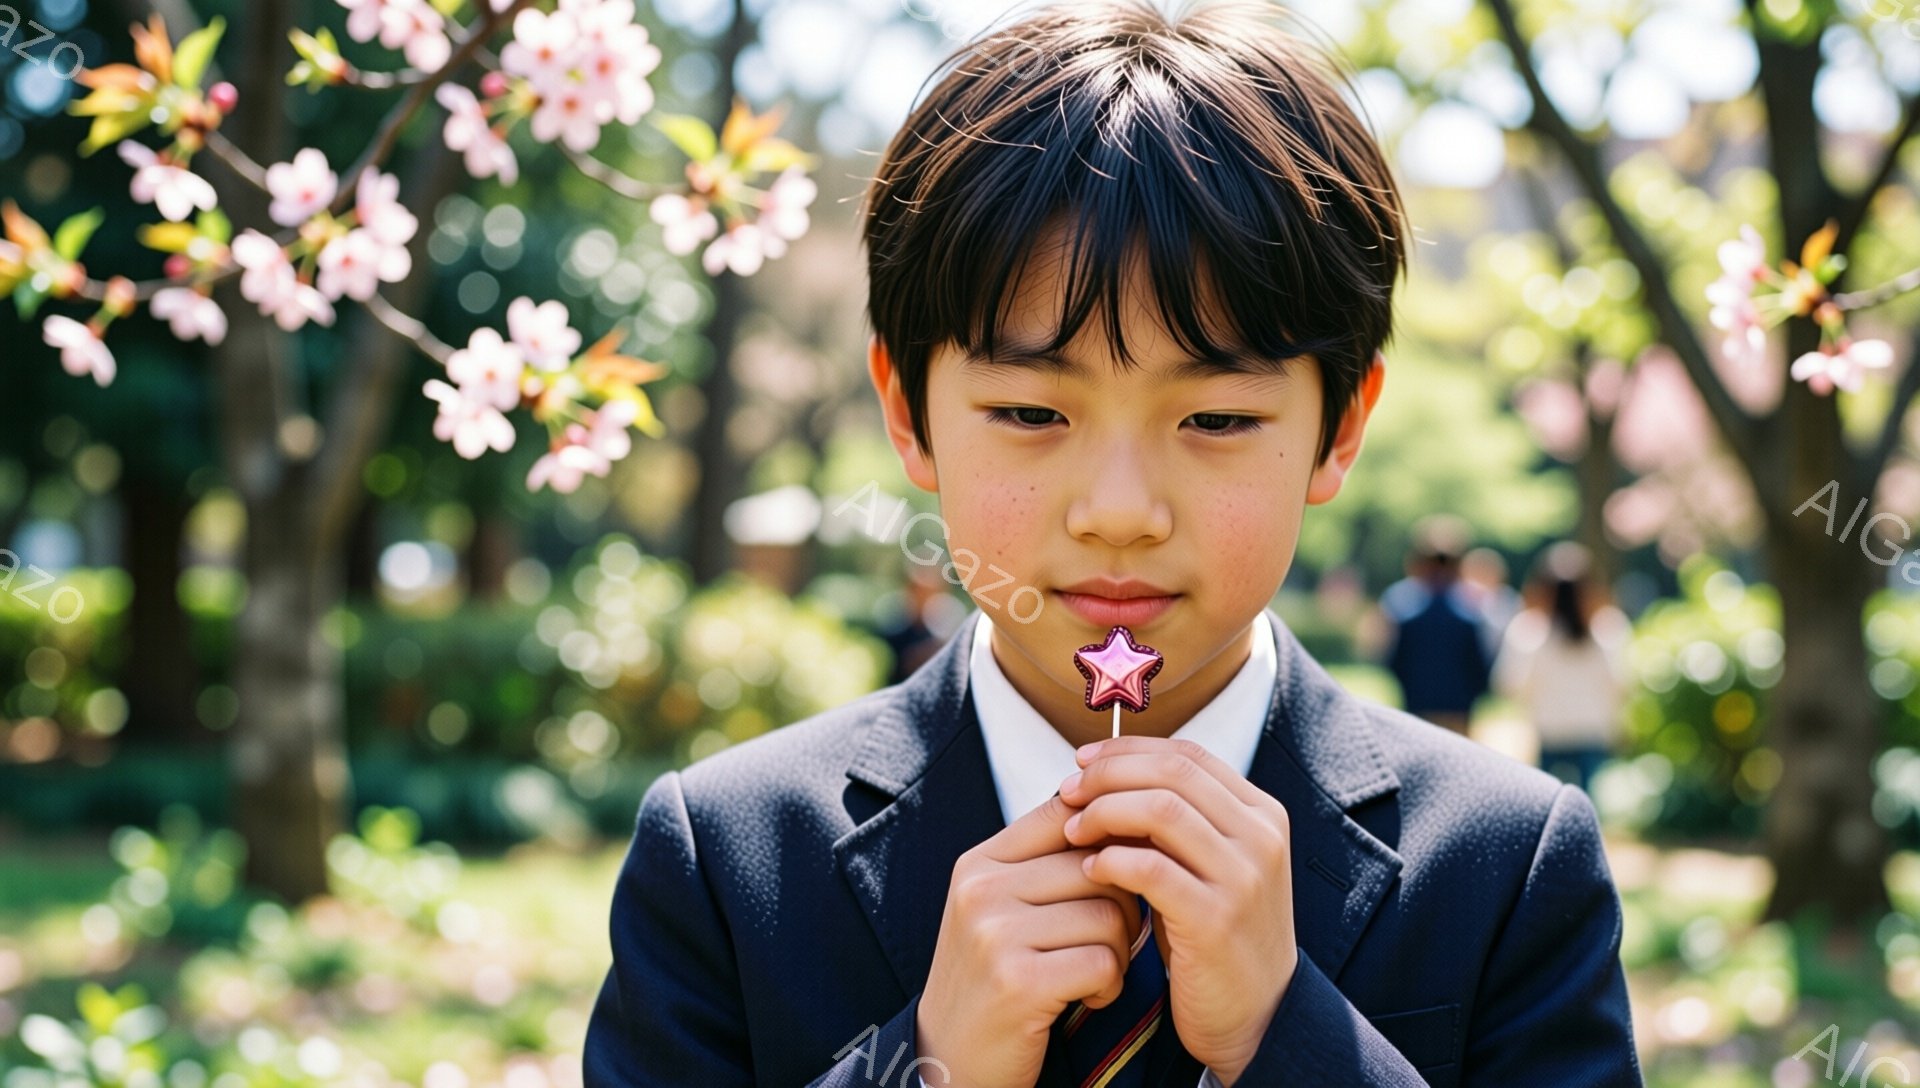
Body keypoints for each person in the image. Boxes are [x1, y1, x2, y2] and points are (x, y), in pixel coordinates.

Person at [583, 3, 1643, 1085]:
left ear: (1341, 428)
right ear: (907, 412)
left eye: (1218, 419)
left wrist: (1288, 1036)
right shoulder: (726, 858)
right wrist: (928, 1061)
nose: (1121, 511)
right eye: (1034, 414)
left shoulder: (1509, 866)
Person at [1494, 543, 1633, 796]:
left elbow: (1510, 684)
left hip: (1549, 728)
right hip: (1593, 729)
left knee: (1549, 808)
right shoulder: (1609, 627)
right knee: (1589, 807)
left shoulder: (1529, 630)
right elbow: (1621, 682)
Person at [1378, 516, 1494, 736]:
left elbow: (1393, 660)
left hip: (1417, 704)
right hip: (1458, 707)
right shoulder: (1471, 610)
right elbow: (1480, 664)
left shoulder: (1403, 607)